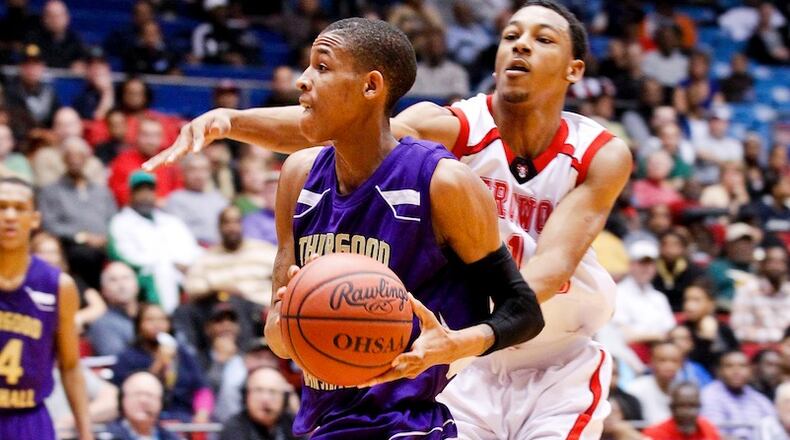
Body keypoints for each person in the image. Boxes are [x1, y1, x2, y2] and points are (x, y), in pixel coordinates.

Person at [145, 1, 633, 437]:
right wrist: (229, 122)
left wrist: (476, 324)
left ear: (574, 69)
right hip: (462, 361)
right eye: (510, 35)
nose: (521, 45)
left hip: (552, 351)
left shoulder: (599, 153)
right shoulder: (452, 126)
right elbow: (346, 126)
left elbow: (549, 270)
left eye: (542, 39)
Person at [265, 17, 545, 438]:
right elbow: (277, 337)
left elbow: (523, 309)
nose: (303, 81)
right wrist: (292, 319)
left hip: (409, 424)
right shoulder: (297, 176)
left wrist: (458, 344)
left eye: (322, 67)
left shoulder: (442, 182)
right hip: (322, 421)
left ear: (371, 86)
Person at [0, 176, 93, 439]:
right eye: (1, 206)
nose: (9, 215)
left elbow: (70, 365)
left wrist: (86, 433)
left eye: (19, 208)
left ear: (35, 219)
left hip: (29, 419)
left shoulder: (58, 286)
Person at [108, 171, 200, 313]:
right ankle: (170, 317)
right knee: (163, 269)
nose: (146, 196)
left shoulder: (170, 221)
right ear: (131, 194)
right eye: (140, 191)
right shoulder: (121, 222)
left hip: (183, 271)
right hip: (148, 273)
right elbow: (126, 255)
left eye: (149, 191)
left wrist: (186, 263)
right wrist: (169, 262)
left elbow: (192, 249)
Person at [111, 303, 212, 423]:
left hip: (185, 419)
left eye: (162, 319)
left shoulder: (183, 354)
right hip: (147, 420)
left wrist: (202, 412)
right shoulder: (127, 357)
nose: (157, 324)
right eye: (150, 320)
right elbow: (124, 396)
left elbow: (202, 388)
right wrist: (158, 364)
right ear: (139, 326)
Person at [184, 205, 277, 306]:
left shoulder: (264, 251)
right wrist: (221, 288)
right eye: (227, 222)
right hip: (223, 309)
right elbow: (193, 288)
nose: (232, 228)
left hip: (259, 307)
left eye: (236, 222)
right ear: (219, 227)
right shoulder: (206, 258)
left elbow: (283, 278)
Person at [701, 350, 776, 439]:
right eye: (729, 366)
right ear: (719, 371)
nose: (736, 371)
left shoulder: (759, 399)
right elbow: (713, 433)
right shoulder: (709, 395)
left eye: (742, 366)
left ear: (750, 371)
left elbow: (775, 428)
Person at [219, 367, 304, 440]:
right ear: (246, 395)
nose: (265, 399)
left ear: (285, 398)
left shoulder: (291, 423)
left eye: (272, 392)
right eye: (259, 390)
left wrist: (298, 412)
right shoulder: (234, 427)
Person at [164, 153, 228, 245]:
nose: (199, 175)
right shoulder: (176, 199)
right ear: (183, 173)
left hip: (221, 250)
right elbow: (176, 235)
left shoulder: (219, 199)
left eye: (203, 170)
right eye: (193, 170)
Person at [104, 371, 178, 440]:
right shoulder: (106, 435)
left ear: (161, 402)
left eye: (149, 395)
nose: (143, 400)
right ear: (122, 399)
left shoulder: (172, 437)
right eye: (137, 394)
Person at [86, 262, 140, 357]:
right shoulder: (102, 324)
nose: (122, 285)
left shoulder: (151, 314)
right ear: (103, 291)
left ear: (137, 285)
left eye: (126, 278)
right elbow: (117, 359)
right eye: (113, 280)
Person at [626, 341, 684, 425]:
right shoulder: (635, 389)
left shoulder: (684, 391)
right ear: (651, 362)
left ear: (681, 364)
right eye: (662, 360)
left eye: (674, 361)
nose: (669, 365)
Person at [642, 382, 720, 440]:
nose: (687, 412)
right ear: (671, 408)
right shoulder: (655, 434)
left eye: (692, 406)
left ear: (700, 407)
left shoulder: (708, 429)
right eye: (682, 406)